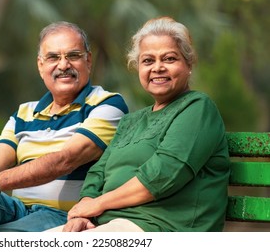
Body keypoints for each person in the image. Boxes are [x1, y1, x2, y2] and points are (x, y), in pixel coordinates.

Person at [47, 16, 231, 232]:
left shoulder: (197, 108)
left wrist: (96, 205)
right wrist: (83, 213)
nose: (158, 68)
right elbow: (98, 173)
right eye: (148, 61)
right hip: (107, 225)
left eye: (169, 59)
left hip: (161, 228)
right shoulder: (131, 121)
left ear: (188, 64)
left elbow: (161, 177)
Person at [0, 21, 128, 232]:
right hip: (19, 208)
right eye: (53, 57)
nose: (63, 65)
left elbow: (65, 160)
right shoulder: (25, 112)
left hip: (65, 216)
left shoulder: (107, 104)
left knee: (3, 233)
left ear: (88, 60)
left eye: (73, 55)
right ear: (40, 66)